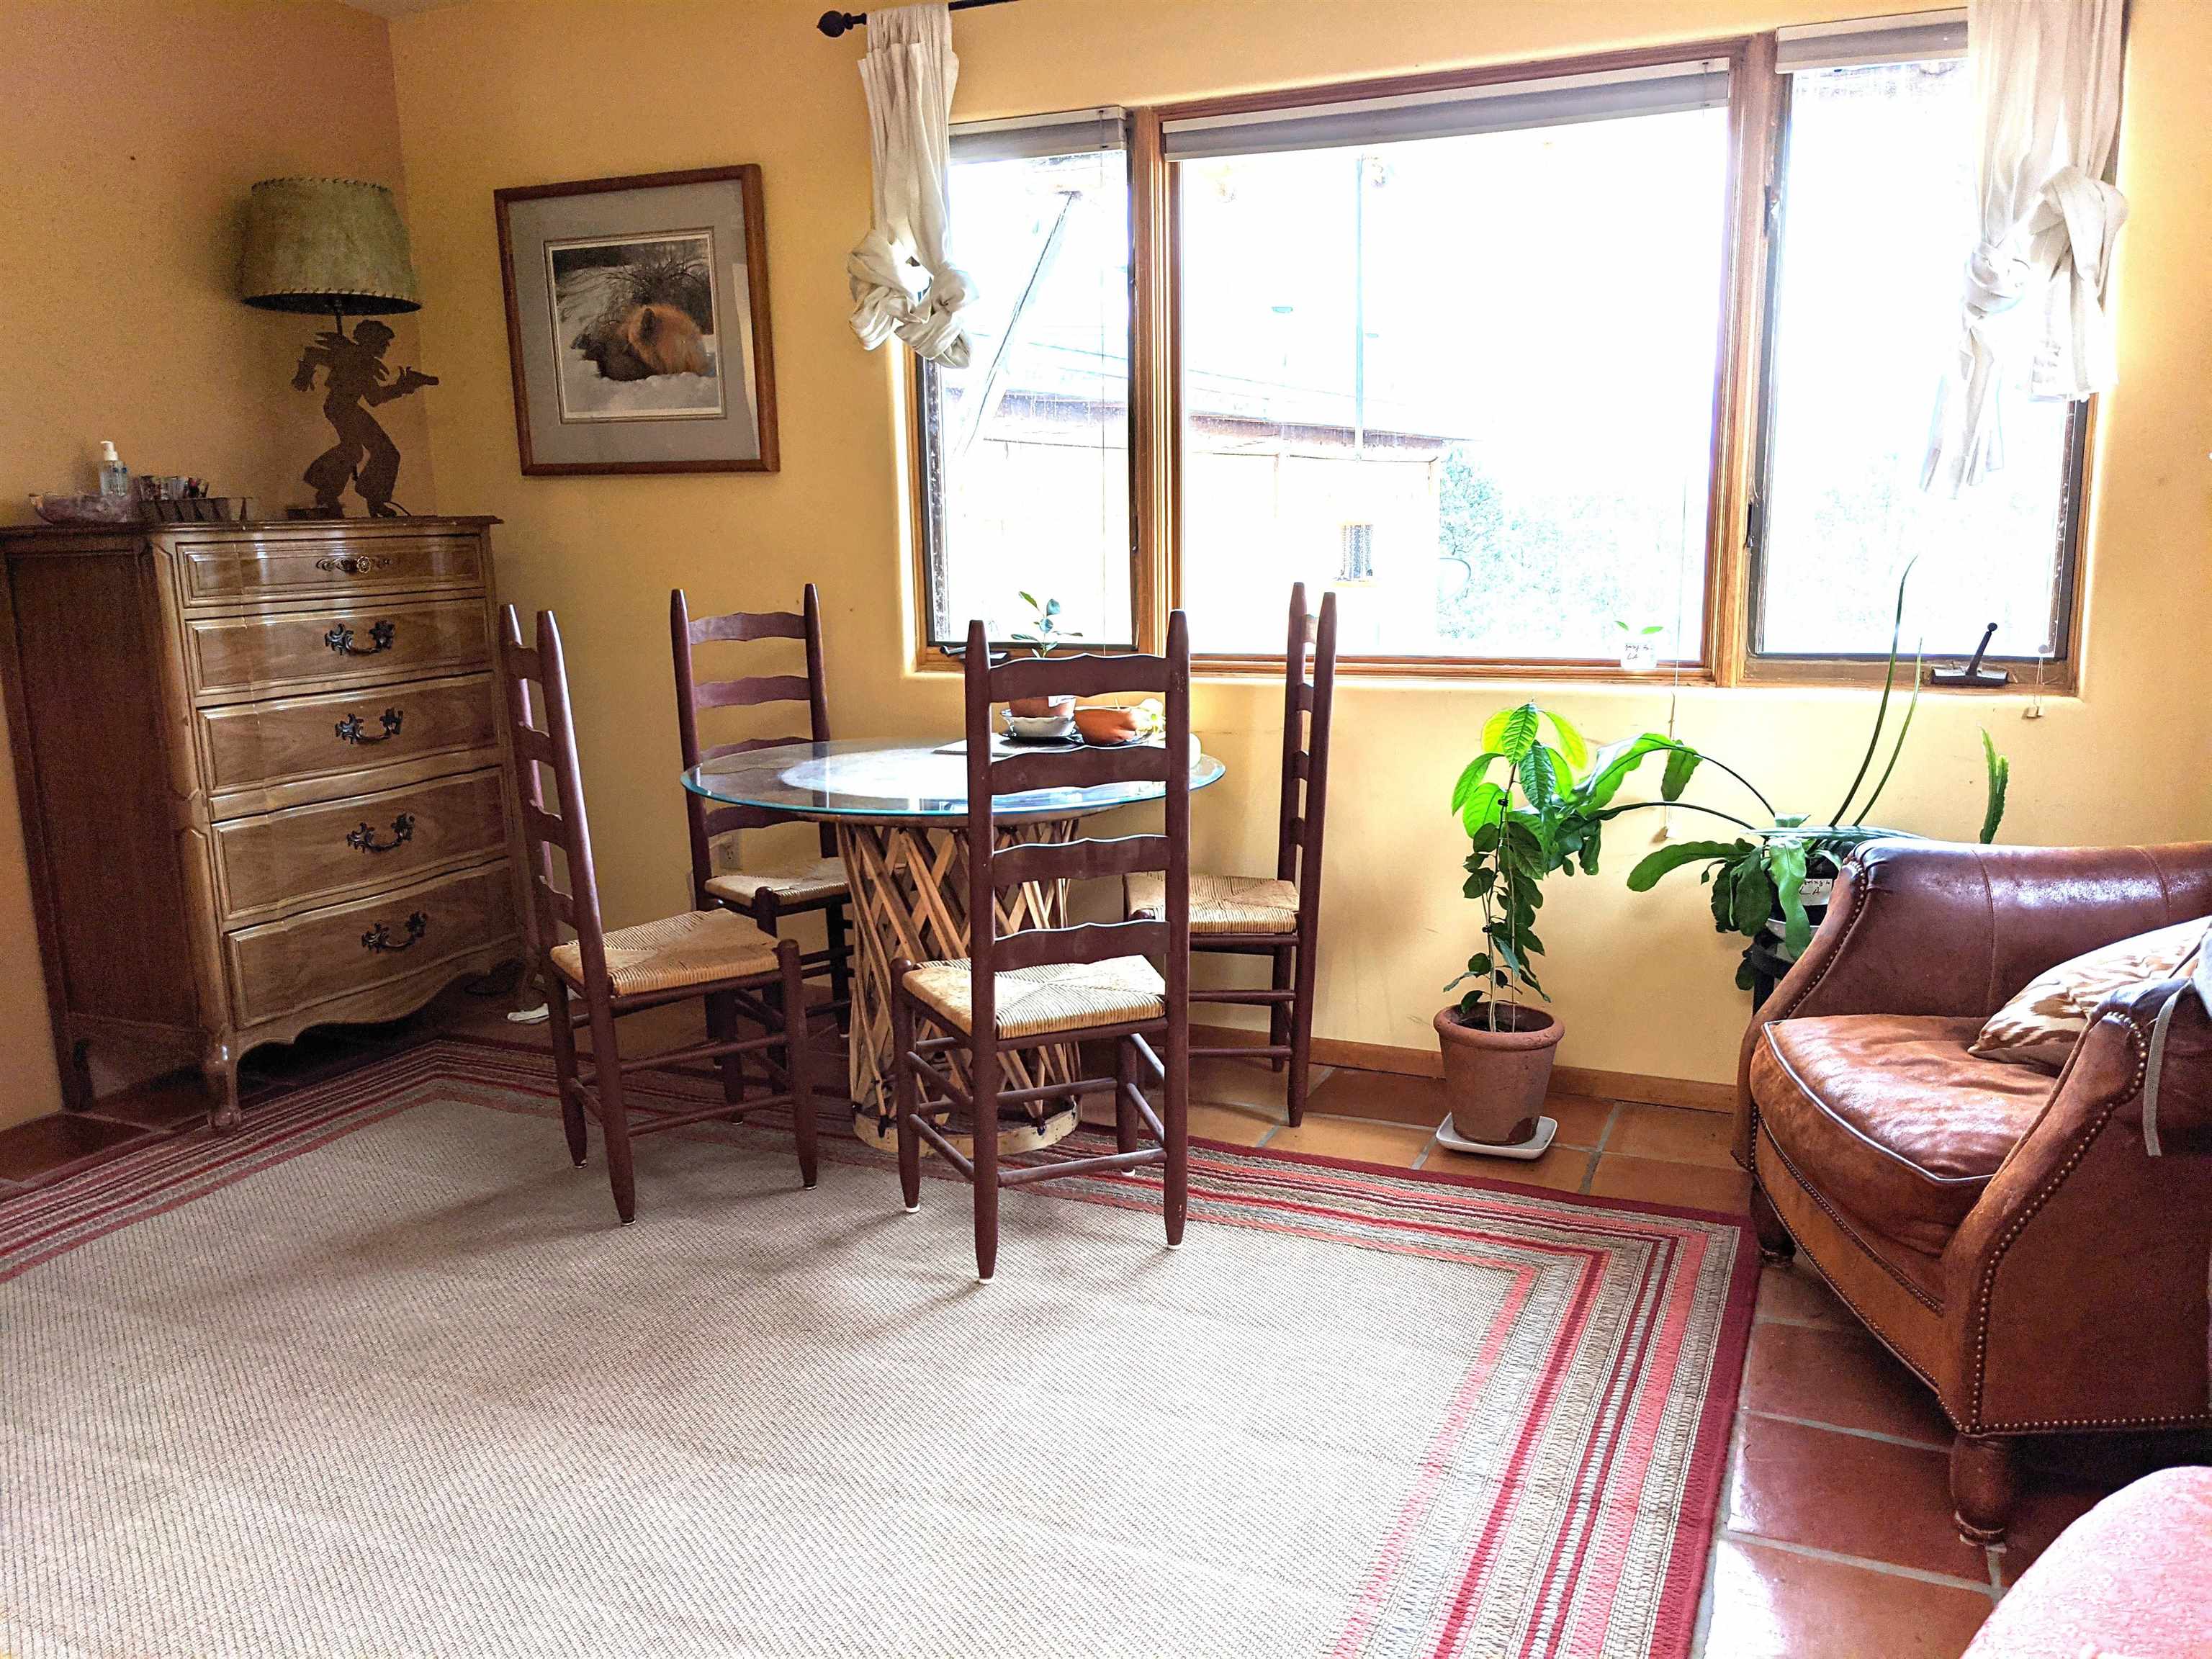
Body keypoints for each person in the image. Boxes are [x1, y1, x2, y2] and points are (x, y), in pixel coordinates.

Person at [291, 320, 436, 516]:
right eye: (383, 342)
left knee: (385, 452)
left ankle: (373, 498)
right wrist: (304, 375)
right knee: (354, 451)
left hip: (349, 408)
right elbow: (313, 354)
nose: (386, 347)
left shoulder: (363, 361)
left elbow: (374, 397)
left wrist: (403, 387)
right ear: (371, 341)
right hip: (340, 408)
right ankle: (328, 493)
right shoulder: (350, 356)